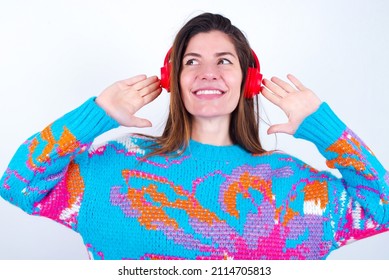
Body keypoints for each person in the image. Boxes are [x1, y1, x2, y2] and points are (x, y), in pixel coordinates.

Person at [0, 12, 388, 260]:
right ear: (174, 80)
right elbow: (20, 184)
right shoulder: (114, 167)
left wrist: (325, 128)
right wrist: (95, 116)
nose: (208, 72)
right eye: (191, 62)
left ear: (248, 80)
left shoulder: (297, 184)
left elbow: (381, 207)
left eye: (224, 61)